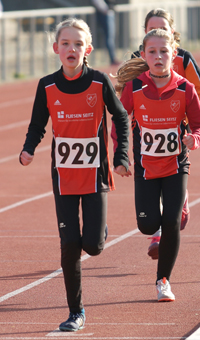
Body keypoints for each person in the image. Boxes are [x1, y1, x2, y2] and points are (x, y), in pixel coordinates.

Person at [19, 18, 130, 332]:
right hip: (64, 177)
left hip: (94, 175)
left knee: (93, 246)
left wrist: (121, 156)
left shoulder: (98, 82)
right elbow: (37, 124)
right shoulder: (47, 85)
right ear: (56, 48)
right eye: (65, 43)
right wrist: (28, 149)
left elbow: (121, 118)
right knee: (69, 243)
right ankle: (76, 312)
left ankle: (100, 229)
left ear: (88, 49)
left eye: (78, 44)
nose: (71, 49)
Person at [113, 28, 200, 301]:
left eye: (164, 51)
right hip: (145, 167)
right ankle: (155, 225)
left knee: (172, 221)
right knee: (147, 224)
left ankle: (163, 280)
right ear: (143, 55)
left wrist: (194, 139)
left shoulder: (185, 88)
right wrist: (122, 155)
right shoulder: (134, 88)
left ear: (173, 55)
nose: (158, 56)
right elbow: (120, 123)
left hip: (177, 165)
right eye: (152, 52)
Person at [91, 0, 120, 65]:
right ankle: (112, 58)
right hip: (106, 13)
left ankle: (113, 58)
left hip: (109, 12)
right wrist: (106, 10)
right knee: (109, 38)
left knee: (111, 37)